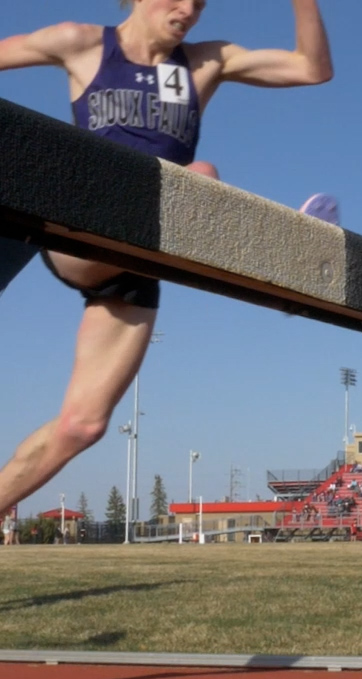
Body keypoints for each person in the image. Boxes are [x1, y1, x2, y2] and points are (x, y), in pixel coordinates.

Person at [0, 0, 335, 517]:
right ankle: (276, 276)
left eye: (200, 3)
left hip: (149, 253)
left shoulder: (206, 62)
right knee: (200, 174)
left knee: (83, 425)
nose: (188, 11)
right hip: (83, 229)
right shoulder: (81, 42)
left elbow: (312, 68)